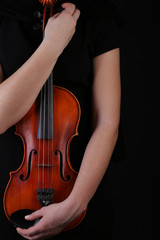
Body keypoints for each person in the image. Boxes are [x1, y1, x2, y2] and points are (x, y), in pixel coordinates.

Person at [0, 0, 122, 239]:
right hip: (7, 194)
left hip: (82, 192)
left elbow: (107, 122)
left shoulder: (99, 17)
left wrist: (74, 205)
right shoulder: (3, 15)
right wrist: (52, 45)